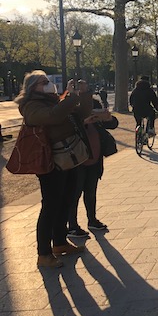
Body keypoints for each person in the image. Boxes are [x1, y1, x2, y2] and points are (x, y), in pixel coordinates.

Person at [16, 71, 93, 268]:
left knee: (66, 201)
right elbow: (53, 117)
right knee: (50, 205)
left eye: (48, 81)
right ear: (33, 86)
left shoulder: (54, 100)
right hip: (50, 161)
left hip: (68, 158)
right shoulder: (31, 106)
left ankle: (59, 242)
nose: (49, 84)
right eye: (44, 82)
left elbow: (82, 113)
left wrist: (83, 94)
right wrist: (70, 97)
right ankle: (44, 253)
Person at [67, 97, 118, 237]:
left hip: (95, 160)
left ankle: (92, 220)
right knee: (75, 194)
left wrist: (108, 118)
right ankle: (72, 225)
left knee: (91, 192)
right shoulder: (70, 109)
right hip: (78, 161)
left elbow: (113, 124)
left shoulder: (94, 106)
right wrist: (83, 123)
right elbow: (66, 130)